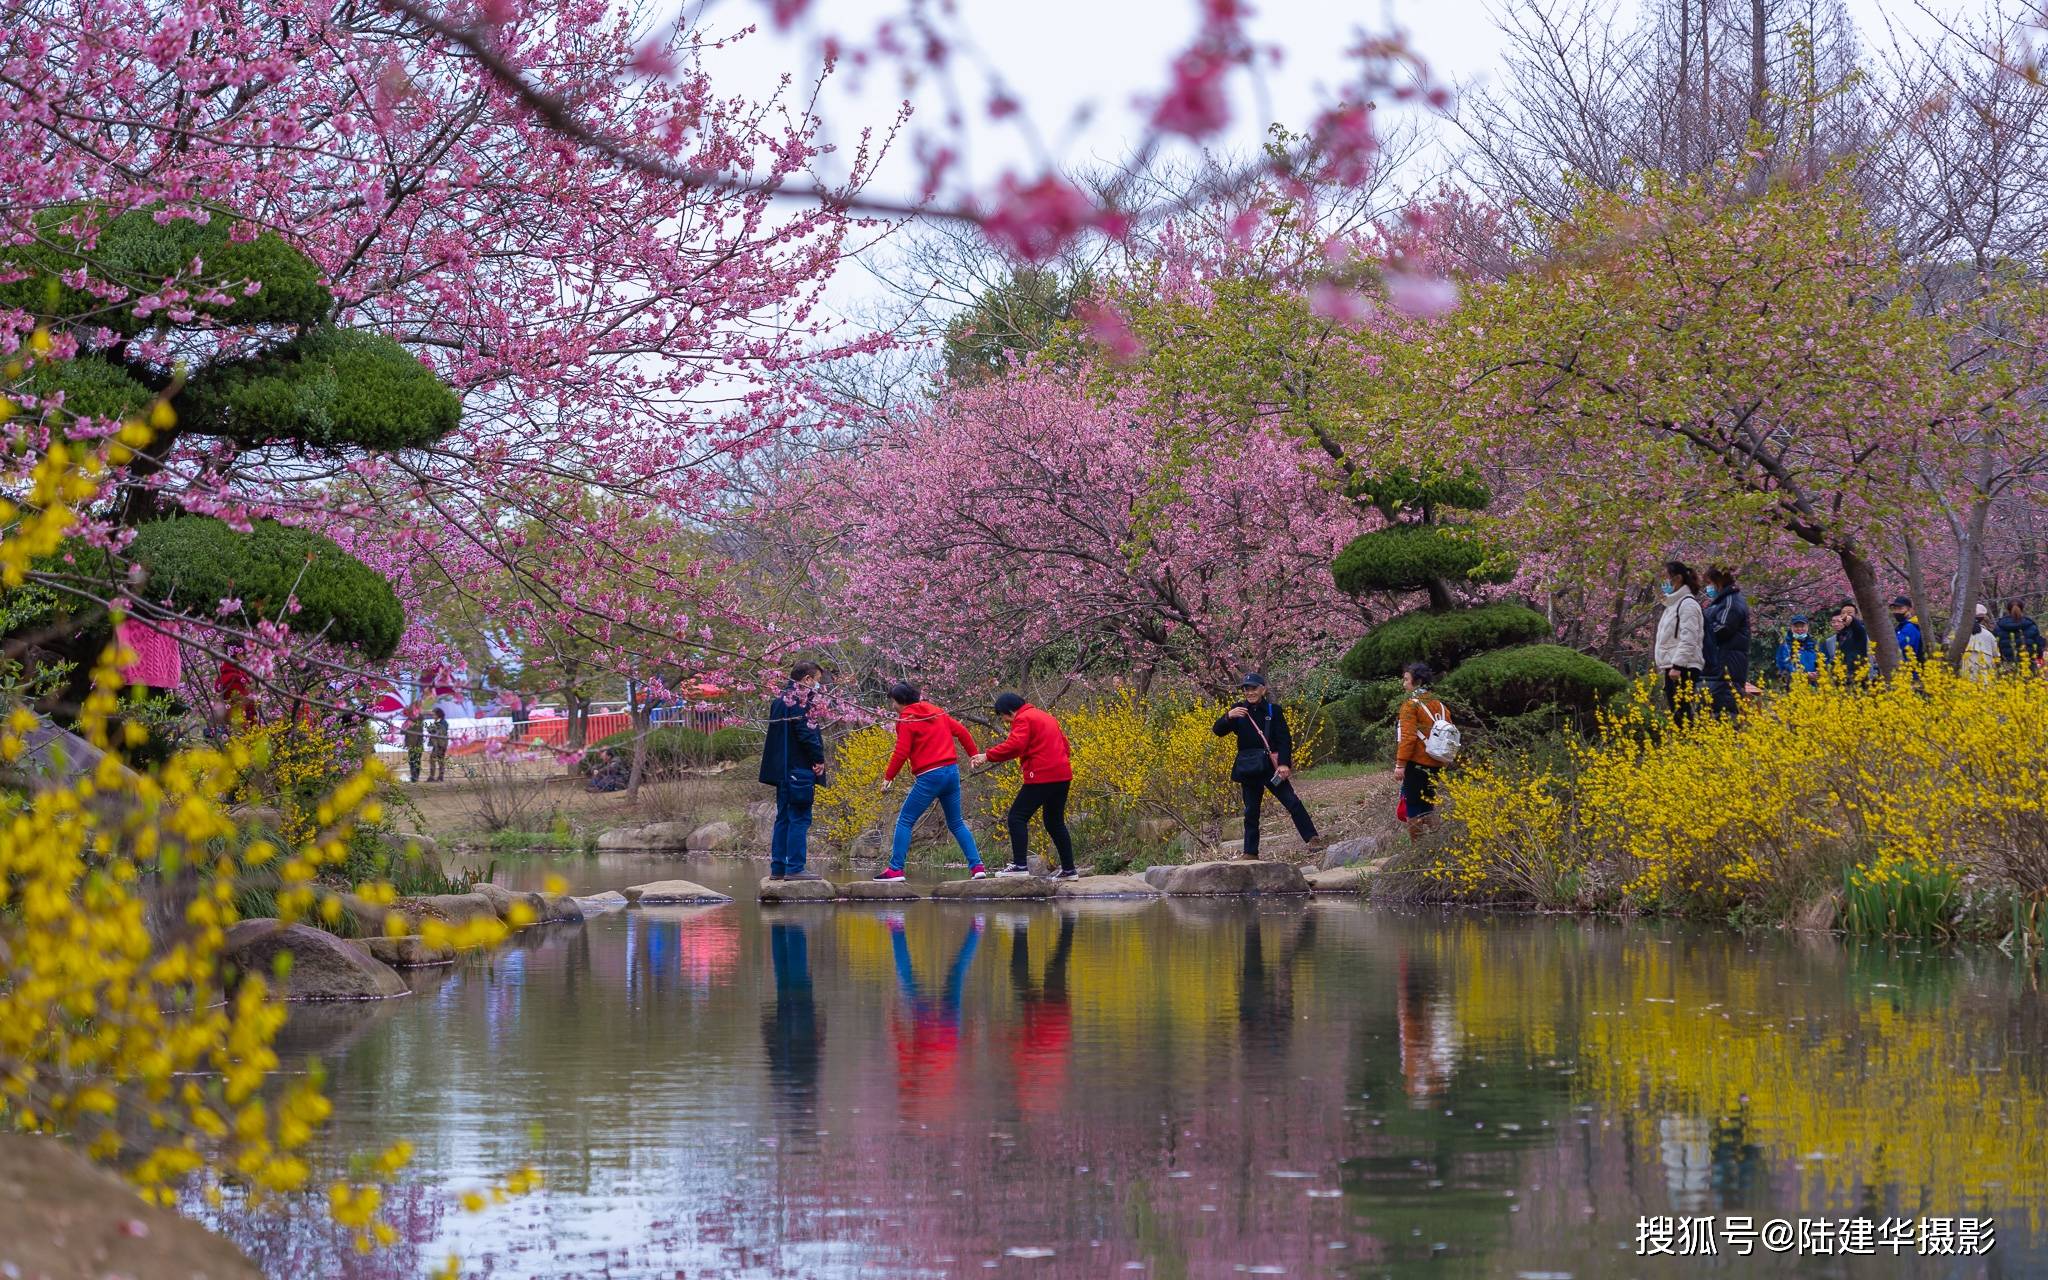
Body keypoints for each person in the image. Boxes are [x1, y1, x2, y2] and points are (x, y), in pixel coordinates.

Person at [876, 683, 985, 882]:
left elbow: (902, 751)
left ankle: (896, 869)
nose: (892, 706)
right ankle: (977, 866)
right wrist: (973, 755)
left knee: (905, 820)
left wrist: (888, 777)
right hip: (951, 772)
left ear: (900, 701)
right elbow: (961, 731)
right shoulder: (937, 712)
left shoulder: (906, 719)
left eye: (892, 701)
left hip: (929, 776)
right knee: (956, 822)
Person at [1212, 673, 1321, 859]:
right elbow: (1218, 731)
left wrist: (1284, 764)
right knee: (1251, 812)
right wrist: (1227, 717)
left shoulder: (1273, 711)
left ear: (1263, 689)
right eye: (1246, 689)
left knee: (1292, 802)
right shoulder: (1238, 711)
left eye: (1253, 688)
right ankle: (1250, 852)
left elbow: (1284, 739)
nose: (1249, 692)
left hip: (1271, 769)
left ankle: (1312, 838)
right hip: (1249, 769)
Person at [971, 692, 1077, 880]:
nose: (1005, 721)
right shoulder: (1046, 716)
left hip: (1041, 775)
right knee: (1055, 822)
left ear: (1010, 711)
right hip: (1062, 775)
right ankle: (1069, 870)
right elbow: (1065, 745)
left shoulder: (1023, 718)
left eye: (1003, 716)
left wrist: (987, 755)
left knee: (1017, 817)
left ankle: (1020, 865)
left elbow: (1015, 745)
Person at [759, 662, 827, 882]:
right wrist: (818, 759)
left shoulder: (780, 700)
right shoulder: (800, 701)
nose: (818, 685)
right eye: (817, 679)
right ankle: (796, 867)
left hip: (782, 770)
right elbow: (806, 733)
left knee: (783, 818)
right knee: (799, 818)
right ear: (807, 679)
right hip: (798, 769)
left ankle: (778, 868)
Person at [1393, 663, 1451, 839]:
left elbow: (1408, 737)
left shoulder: (1410, 705)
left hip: (1417, 763)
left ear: (1417, 682)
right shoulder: (1439, 704)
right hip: (1437, 762)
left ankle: (1417, 850)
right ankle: (1436, 843)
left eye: (1406, 680)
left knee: (1413, 808)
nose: (1404, 684)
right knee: (1428, 805)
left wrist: (1400, 764)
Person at [1654, 561, 1708, 724]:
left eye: (1666, 577)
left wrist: (1677, 665)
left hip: (1683, 668)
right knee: (1677, 713)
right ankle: (1686, 745)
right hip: (1674, 666)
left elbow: (1689, 638)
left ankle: (1692, 745)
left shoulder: (1688, 605)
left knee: (1682, 714)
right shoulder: (1673, 605)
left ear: (1677, 579)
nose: (1664, 582)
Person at [1703, 567, 1751, 719]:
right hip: (1716, 668)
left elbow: (1722, 629)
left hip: (1726, 668)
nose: (1708, 587)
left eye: (1710, 583)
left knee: (1724, 714)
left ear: (1719, 581)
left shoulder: (1731, 602)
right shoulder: (1721, 602)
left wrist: (1699, 633)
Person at [1775, 614, 1822, 687]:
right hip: (1794, 686)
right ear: (1791, 627)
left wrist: (1818, 673)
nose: (1800, 629)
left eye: (1802, 626)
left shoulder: (1813, 644)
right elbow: (1784, 665)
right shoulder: (1786, 646)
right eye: (1796, 626)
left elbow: (1821, 661)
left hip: (1814, 686)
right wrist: (1805, 674)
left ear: (1807, 627)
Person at [1996, 600, 2045, 669]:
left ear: (2008, 610)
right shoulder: (2031, 626)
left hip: (2007, 665)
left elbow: (1996, 647)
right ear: (2022, 609)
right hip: (2028, 664)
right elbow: (2038, 646)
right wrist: (2040, 656)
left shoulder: (1999, 627)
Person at [1830, 601, 1869, 683]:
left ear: (1856, 615)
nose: (1845, 615)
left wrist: (1852, 619)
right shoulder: (1841, 634)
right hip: (1842, 678)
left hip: (1857, 677)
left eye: (1849, 612)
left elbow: (1857, 627)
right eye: (1843, 613)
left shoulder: (1859, 631)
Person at [1963, 604, 2001, 683]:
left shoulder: (1962, 634)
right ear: (1983, 619)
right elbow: (1996, 656)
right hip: (1985, 673)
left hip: (1966, 673)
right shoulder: (1989, 635)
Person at [1891, 596, 1925, 665]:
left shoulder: (1910, 627)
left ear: (1910, 610)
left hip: (1910, 671)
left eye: (1900, 608)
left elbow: (1896, 647)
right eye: (1895, 609)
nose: (1897, 612)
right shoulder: (1902, 626)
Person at [427, 708, 450, 781]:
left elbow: (437, 732)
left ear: (438, 714)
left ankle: (436, 776)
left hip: (440, 744)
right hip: (437, 744)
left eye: (434, 714)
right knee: (437, 760)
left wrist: (433, 729)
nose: (433, 716)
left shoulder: (443, 723)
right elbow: (430, 730)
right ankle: (437, 776)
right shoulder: (437, 722)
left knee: (437, 759)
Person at [402, 711, 424, 784]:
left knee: (415, 761)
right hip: (412, 746)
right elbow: (402, 731)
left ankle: (415, 777)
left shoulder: (419, 724)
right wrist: (405, 725)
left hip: (417, 745)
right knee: (412, 761)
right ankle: (414, 776)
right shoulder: (409, 723)